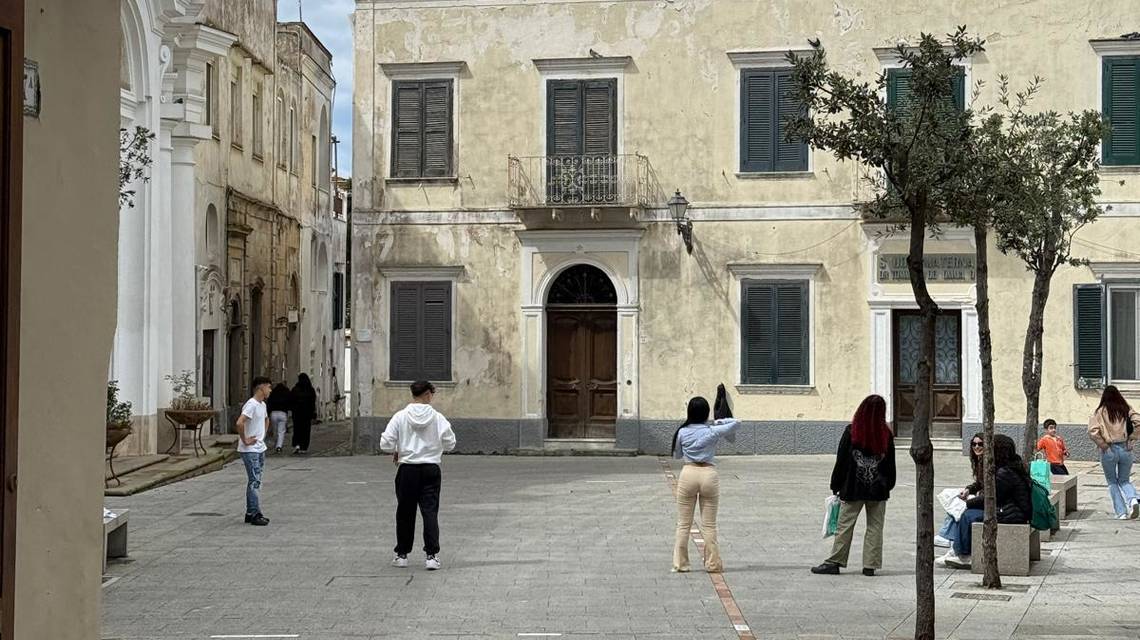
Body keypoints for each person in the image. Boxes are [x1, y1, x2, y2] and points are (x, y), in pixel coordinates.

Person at [812, 394, 896, 577]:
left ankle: (835, 561)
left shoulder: (852, 431)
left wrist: (836, 484)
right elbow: (890, 464)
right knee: (875, 527)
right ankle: (870, 565)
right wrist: (888, 485)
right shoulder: (885, 434)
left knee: (844, 525)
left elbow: (841, 460)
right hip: (878, 489)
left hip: (852, 488)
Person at [380, 380, 456, 570]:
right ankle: (431, 556)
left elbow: (385, 443)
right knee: (430, 511)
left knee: (405, 512)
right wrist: (435, 448)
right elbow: (450, 442)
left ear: (413, 394)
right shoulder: (438, 418)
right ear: (428, 394)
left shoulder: (400, 416)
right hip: (431, 468)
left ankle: (402, 555)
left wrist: (398, 449)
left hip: (407, 469)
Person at [940, 434, 1031, 569]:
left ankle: (963, 554)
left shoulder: (1004, 472)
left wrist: (967, 503)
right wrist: (969, 492)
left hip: (1011, 513)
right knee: (965, 512)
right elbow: (983, 486)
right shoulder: (1007, 466)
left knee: (967, 515)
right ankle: (956, 548)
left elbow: (991, 498)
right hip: (1007, 508)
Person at [671, 396, 740, 573]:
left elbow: (677, 455)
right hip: (709, 474)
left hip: (688, 472)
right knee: (709, 525)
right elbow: (737, 423)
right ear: (706, 413)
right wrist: (719, 421)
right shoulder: (713, 430)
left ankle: (681, 564)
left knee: (683, 524)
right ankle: (713, 564)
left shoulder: (682, 431)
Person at [1088, 385, 1140, 519]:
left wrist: (1103, 445)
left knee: (1112, 481)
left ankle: (1121, 512)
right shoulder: (1125, 408)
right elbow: (1138, 421)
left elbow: (1093, 431)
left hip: (1109, 449)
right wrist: (1132, 438)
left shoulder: (1100, 411)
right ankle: (1133, 500)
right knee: (1124, 480)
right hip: (1125, 447)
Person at [935, 432, 985, 548]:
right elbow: (979, 483)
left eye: (980, 444)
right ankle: (947, 535)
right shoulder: (979, 461)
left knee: (960, 506)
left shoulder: (989, 464)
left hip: (992, 505)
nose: (977, 447)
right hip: (983, 498)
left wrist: (969, 501)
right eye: (974, 444)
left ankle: (947, 536)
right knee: (954, 497)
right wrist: (968, 489)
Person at [237, 376, 272, 526]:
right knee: (254, 480)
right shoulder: (251, 404)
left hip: (259, 447)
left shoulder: (262, 405)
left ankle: (250, 512)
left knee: (256, 480)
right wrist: (245, 439)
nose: (270, 390)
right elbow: (240, 422)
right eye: (268, 387)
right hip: (250, 449)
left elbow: (266, 419)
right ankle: (255, 513)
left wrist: (261, 435)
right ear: (261, 387)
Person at [289, 373, 317, 455]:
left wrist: (293, 409)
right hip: (307, 414)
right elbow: (313, 402)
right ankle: (304, 447)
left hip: (297, 413)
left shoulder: (295, 389)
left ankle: (297, 445)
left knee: (297, 429)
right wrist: (313, 412)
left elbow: (291, 401)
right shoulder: (310, 390)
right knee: (306, 430)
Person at [266, 382, 292, 455]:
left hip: (273, 413)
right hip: (283, 413)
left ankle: (276, 443)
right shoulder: (286, 393)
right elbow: (290, 402)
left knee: (275, 430)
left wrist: (268, 413)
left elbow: (269, 403)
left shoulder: (273, 393)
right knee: (281, 431)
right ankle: (279, 446)